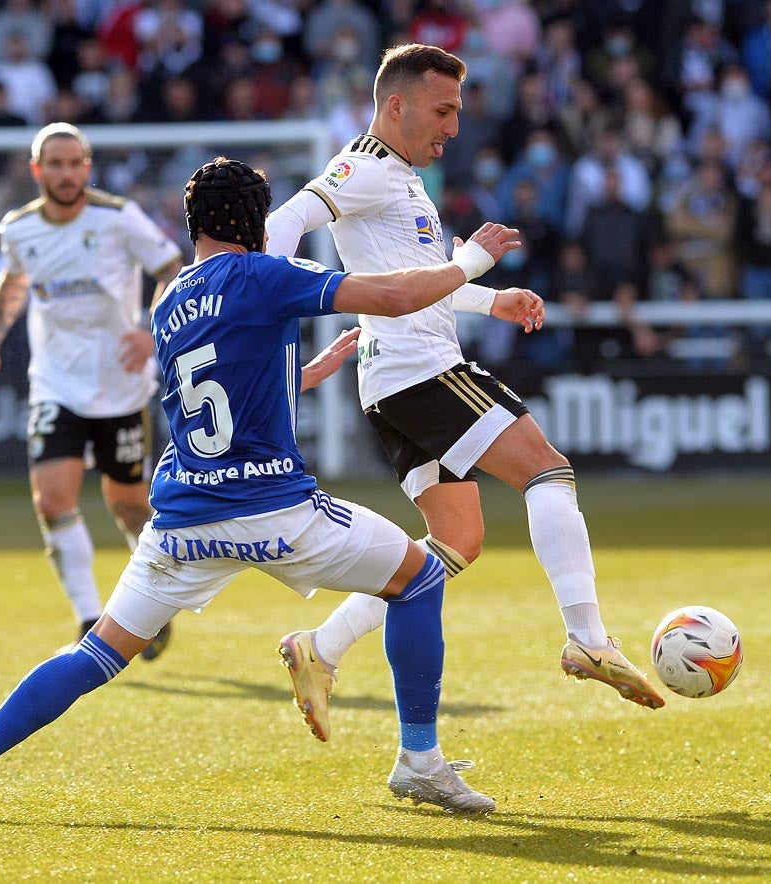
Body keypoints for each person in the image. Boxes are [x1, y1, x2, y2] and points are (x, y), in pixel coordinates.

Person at [0, 156, 521, 819]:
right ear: (254, 218)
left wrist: (303, 374)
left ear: (193, 225)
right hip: (276, 509)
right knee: (417, 579)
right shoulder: (265, 274)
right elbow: (393, 296)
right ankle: (418, 762)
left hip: (183, 521)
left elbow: (211, 394)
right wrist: (472, 261)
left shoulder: (167, 301)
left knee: (94, 653)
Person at [264, 43, 665, 746]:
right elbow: (283, 223)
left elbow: (427, 276)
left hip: (391, 380)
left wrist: (490, 299)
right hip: (419, 370)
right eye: (441, 109)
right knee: (547, 470)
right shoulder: (360, 166)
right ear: (396, 104)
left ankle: (319, 648)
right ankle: (587, 638)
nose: (452, 125)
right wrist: (281, 297)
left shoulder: (402, 177)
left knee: (453, 543)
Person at [0, 123, 183, 658]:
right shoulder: (18, 229)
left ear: (87, 168)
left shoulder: (117, 217)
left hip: (120, 384)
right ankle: (91, 618)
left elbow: (172, 268)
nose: (65, 174)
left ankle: (150, 605)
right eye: (54, 164)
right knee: (52, 499)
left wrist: (148, 328)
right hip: (55, 383)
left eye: (74, 163)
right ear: (37, 171)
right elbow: (13, 281)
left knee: (130, 507)